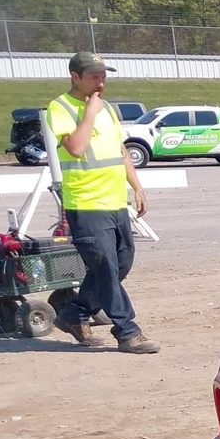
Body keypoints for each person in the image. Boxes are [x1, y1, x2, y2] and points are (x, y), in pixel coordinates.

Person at [46, 52, 158, 353]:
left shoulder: (107, 107)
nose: (101, 81)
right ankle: (127, 330)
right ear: (75, 77)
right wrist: (89, 113)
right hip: (86, 203)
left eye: (103, 75)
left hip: (115, 201)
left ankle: (74, 313)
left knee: (121, 263)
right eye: (94, 76)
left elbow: (120, 150)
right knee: (105, 267)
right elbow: (77, 146)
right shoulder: (61, 108)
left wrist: (137, 187)